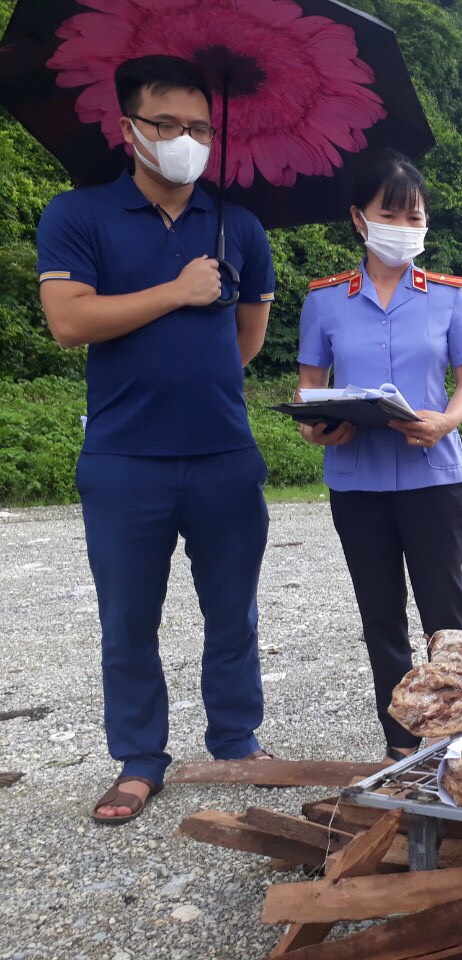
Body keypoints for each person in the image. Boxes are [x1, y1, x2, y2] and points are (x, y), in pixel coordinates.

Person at [36, 55, 276, 823]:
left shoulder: (238, 224)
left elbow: (246, 340)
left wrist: (188, 361)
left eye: (199, 128)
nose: (184, 140)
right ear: (128, 127)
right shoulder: (78, 215)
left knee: (232, 612)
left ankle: (236, 743)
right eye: (166, 124)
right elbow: (70, 321)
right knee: (128, 618)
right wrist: (176, 292)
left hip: (223, 453)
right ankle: (140, 760)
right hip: (122, 457)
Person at [296, 150, 462, 764]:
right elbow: (309, 393)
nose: (404, 226)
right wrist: (319, 431)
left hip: (433, 474)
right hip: (357, 482)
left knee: (446, 615)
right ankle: (401, 745)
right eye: (390, 213)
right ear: (359, 218)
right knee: (381, 618)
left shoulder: (448, 296)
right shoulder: (325, 301)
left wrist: (446, 420)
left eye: (414, 215)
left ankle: (457, 740)